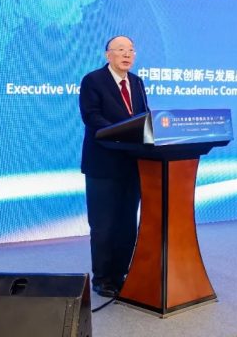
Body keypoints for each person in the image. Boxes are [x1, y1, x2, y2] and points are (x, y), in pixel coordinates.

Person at [79, 35, 148, 297]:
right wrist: (122, 132)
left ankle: (121, 273)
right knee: (103, 225)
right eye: (120, 50)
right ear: (108, 55)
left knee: (127, 224)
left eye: (131, 50)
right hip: (103, 165)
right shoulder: (93, 80)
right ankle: (103, 279)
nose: (127, 54)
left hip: (132, 164)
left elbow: (144, 116)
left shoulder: (137, 82)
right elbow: (92, 117)